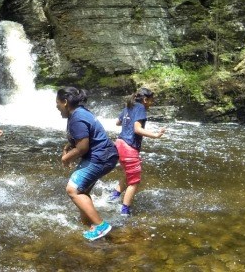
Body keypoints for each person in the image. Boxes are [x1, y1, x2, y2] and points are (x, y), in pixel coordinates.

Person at [56, 87, 119, 241]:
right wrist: (68, 147)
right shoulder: (80, 112)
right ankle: (89, 223)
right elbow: (84, 137)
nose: (56, 107)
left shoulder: (77, 117)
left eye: (57, 103)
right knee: (82, 190)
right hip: (105, 155)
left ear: (65, 102)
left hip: (100, 157)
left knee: (73, 190)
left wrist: (66, 158)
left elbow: (83, 147)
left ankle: (100, 226)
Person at [108, 88, 166, 216]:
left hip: (120, 144)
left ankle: (113, 197)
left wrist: (127, 120)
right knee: (134, 182)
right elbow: (137, 129)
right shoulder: (140, 108)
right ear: (145, 100)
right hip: (129, 148)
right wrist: (156, 135)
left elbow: (118, 122)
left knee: (128, 175)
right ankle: (124, 211)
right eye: (151, 100)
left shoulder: (129, 106)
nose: (152, 103)